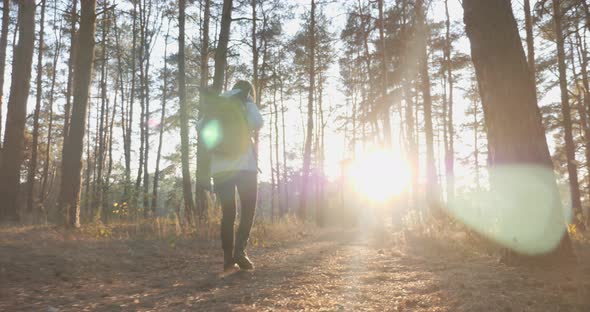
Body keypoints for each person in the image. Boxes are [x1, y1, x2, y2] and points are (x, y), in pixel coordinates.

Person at [199, 80, 263, 271]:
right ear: (249, 90)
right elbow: (257, 122)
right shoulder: (246, 99)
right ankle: (240, 252)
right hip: (245, 167)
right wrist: (249, 104)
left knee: (228, 213)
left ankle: (228, 258)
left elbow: (199, 127)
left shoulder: (219, 101)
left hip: (220, 168)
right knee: (248, 210)